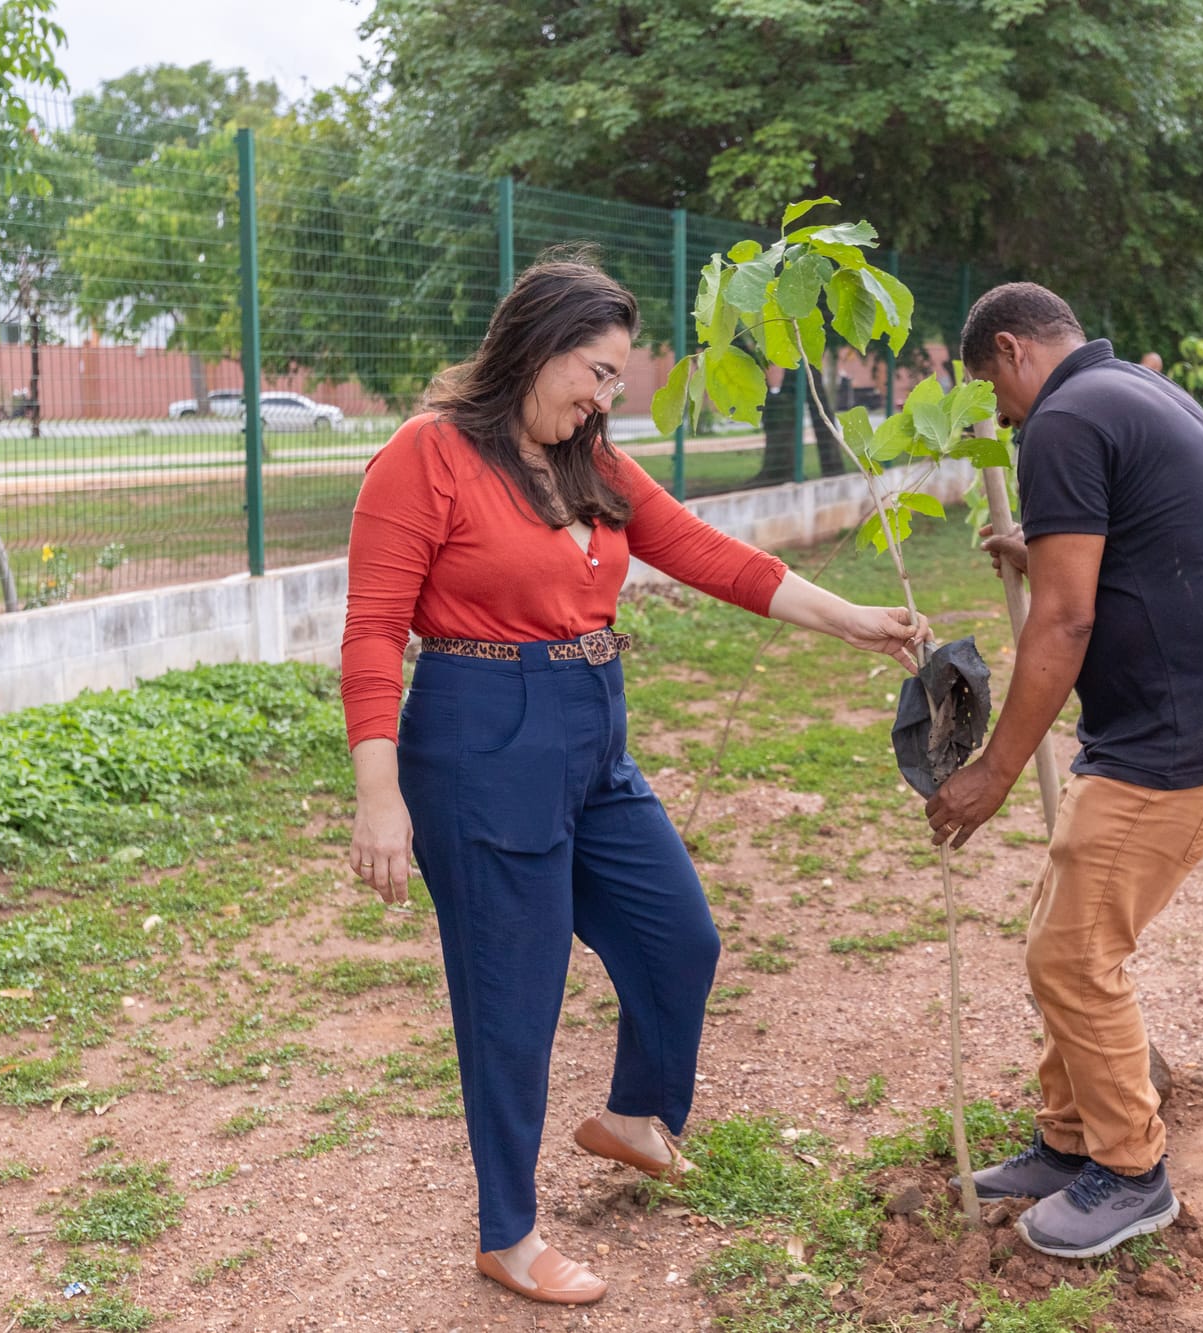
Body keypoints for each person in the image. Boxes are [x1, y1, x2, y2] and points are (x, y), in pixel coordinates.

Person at [341, 258, 929, 1305]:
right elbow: (374, 631)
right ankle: (508, 1234)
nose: (604, 399)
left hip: (591, 729)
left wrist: (855, 621)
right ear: (536, 343)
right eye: (595, 373)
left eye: (616, 382)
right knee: (511, 998)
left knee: (676, 935)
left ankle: (632, 1115)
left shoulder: (590, 459)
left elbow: (705, 552)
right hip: (477, 738)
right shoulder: (423, 458)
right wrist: (377, 794)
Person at [924, 283, 1203, 1259]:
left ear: (1008, 350)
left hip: (1182, 741)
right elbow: (1135, 544)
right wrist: (1036, 542)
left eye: (993, 397)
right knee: (1063, 936)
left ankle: (1130, 1173)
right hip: (1198, 720)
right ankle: (1066, 1141)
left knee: (1069, 955)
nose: (1004, 421)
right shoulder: (1135, 392)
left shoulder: (1061, 419)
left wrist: (994, 772)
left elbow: (1064, 619)